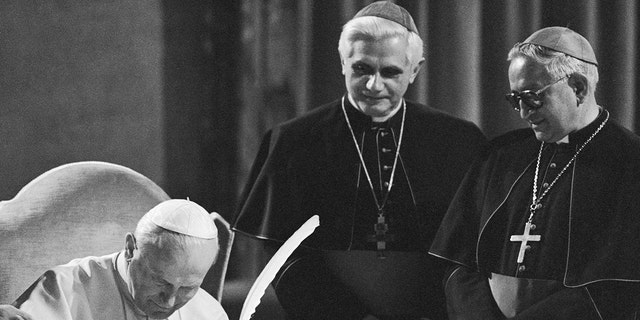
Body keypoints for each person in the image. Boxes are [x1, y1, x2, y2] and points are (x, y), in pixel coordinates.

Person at [232, 1, 486, 319]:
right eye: (362, 69)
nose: (373, 85)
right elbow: (285, 256)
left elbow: (468, 252)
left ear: (415, 70)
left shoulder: (458, 141)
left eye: (390, 72)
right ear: (343, 62)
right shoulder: (293, 141)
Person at [429, 26, 640, 319]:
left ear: (578, 87)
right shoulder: (499, 156)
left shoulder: (630, 163)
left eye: (531, 97)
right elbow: (457, 262)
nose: (523, 113)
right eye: (514, 99)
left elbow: (617, 288)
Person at [1, 199, 228, 320]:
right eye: (161, 281)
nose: (169, 301)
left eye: (188, 288)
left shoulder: (209, 313)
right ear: (130, 248)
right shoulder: (62, 290)